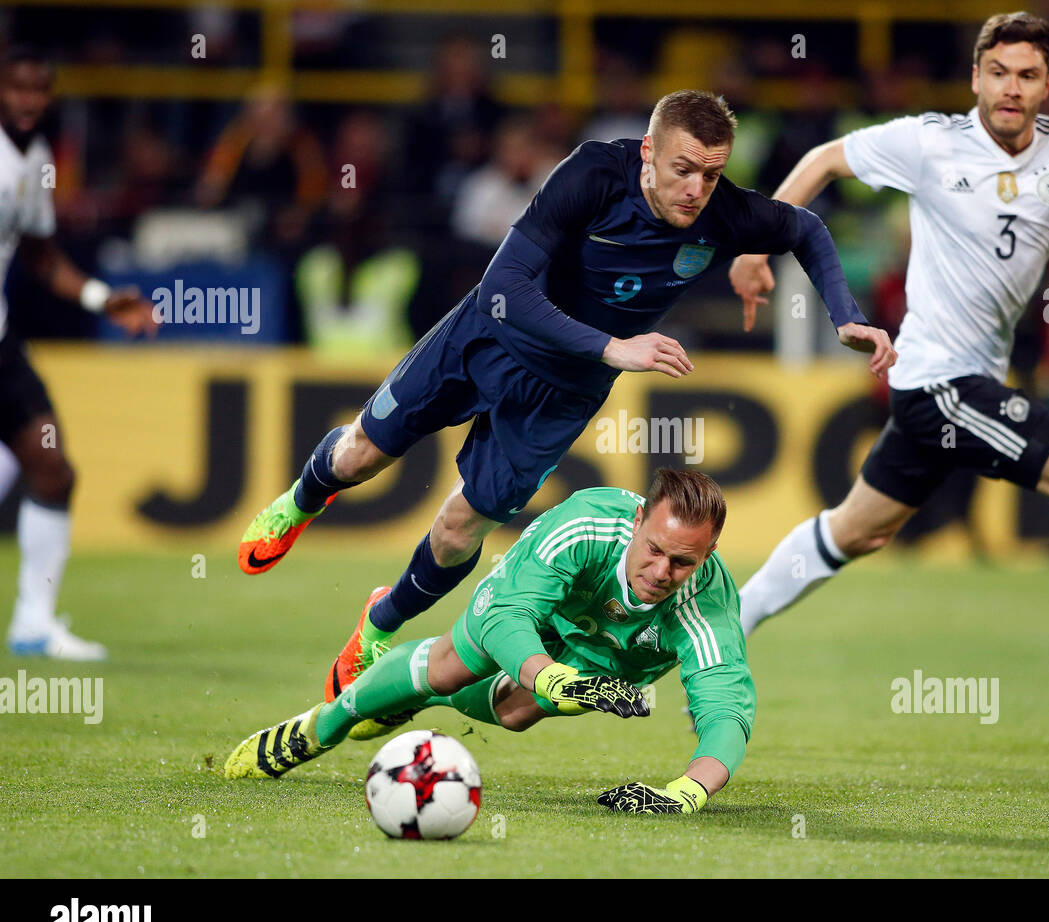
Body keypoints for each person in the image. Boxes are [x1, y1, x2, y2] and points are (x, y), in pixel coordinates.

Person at [237, 90, 895, 680]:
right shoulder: (592, 175)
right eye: (683, 169)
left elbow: (804, 227)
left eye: (712, 174)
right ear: (648, 153)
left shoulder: (720, 214)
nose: (697, 189)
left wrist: (846, 317)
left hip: (562, 393)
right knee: (359, 456)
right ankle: (302, 499)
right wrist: (614, 346)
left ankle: (379, 626)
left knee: (462, 527)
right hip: (486, 338)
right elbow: (503, 288)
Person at [729, 12, 1049, 754]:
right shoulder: (930, 142)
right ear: (976, 77)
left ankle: (725, 625)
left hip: (957, 383)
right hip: (941, 381)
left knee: (857, 529)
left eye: (1028, 75)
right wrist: (758, 244)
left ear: (1046, 84)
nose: (1011, 88)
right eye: (998, 72)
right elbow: (824, 159)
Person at [227, 469, 752, 815]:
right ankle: (324, 724)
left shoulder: (708, 604)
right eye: (655, 550)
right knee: (454, 666)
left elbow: (725, 709)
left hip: (616, 651)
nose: (662, 572)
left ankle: (408, 695)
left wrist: (686, 794)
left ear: (709, 554)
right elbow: (509, 615)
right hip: (539, 600)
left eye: (683, 562)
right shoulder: (584, 527)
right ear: (637, 521)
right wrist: (548, 673)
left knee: (518, 712)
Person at [0, 46, 156, 660]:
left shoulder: (35, 158)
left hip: (2, 341)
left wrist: (99, 297)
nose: (29, 100)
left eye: (40, 88)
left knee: (52, 466)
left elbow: (39, 254)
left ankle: (33, 622)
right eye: (17, 87)